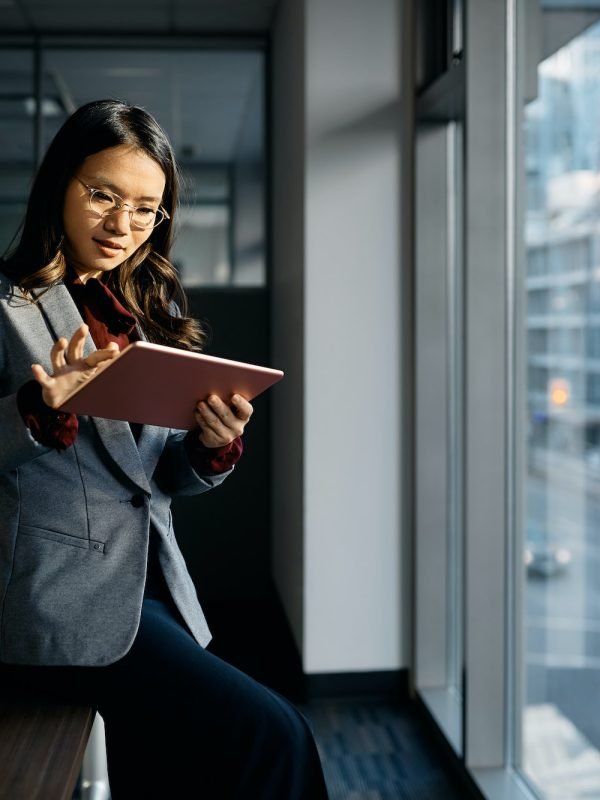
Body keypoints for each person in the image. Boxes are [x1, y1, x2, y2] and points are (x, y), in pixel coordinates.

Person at [0, 99, 328, 799]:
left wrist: (211, 449)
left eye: (146, 209)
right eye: (103, 196)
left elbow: (152, 477)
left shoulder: (148, 313)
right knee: (274, 734)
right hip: (54, 602)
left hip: (151, 587)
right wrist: (39, 408)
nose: (124, 225)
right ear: (60, 185)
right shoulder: (9, 307)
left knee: (170, 776)